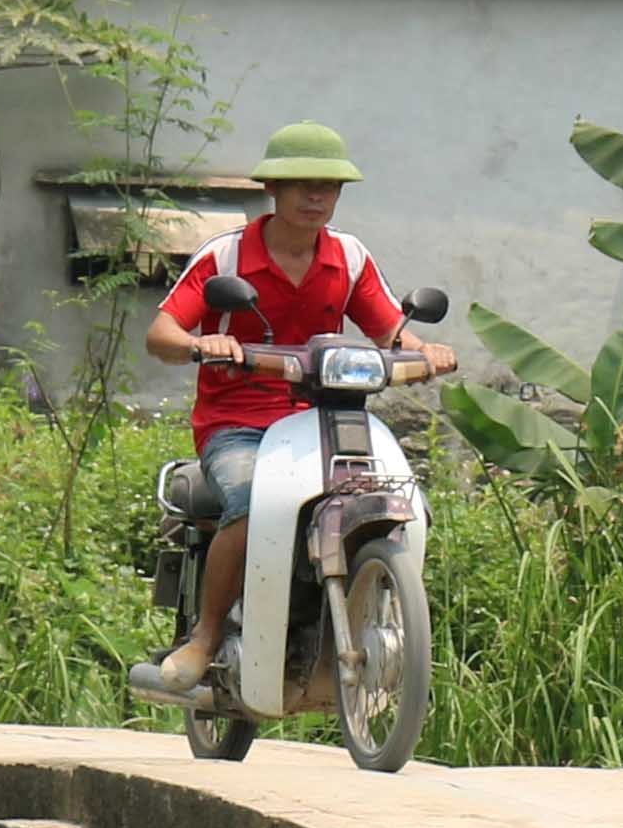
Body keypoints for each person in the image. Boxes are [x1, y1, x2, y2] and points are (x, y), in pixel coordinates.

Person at [127, 124, 455, 702]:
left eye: (328, 186)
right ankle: (205, 637)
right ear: (272, 190)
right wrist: (204, 345)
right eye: (302, 186)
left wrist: (423, 352)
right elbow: (161, 334)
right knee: (254, 500)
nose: (316, 198)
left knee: (404, 498)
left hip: (327, 422)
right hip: (240, 424)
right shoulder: (225, 256)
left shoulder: (348, 257)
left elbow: (390, 330)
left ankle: (372, 624)